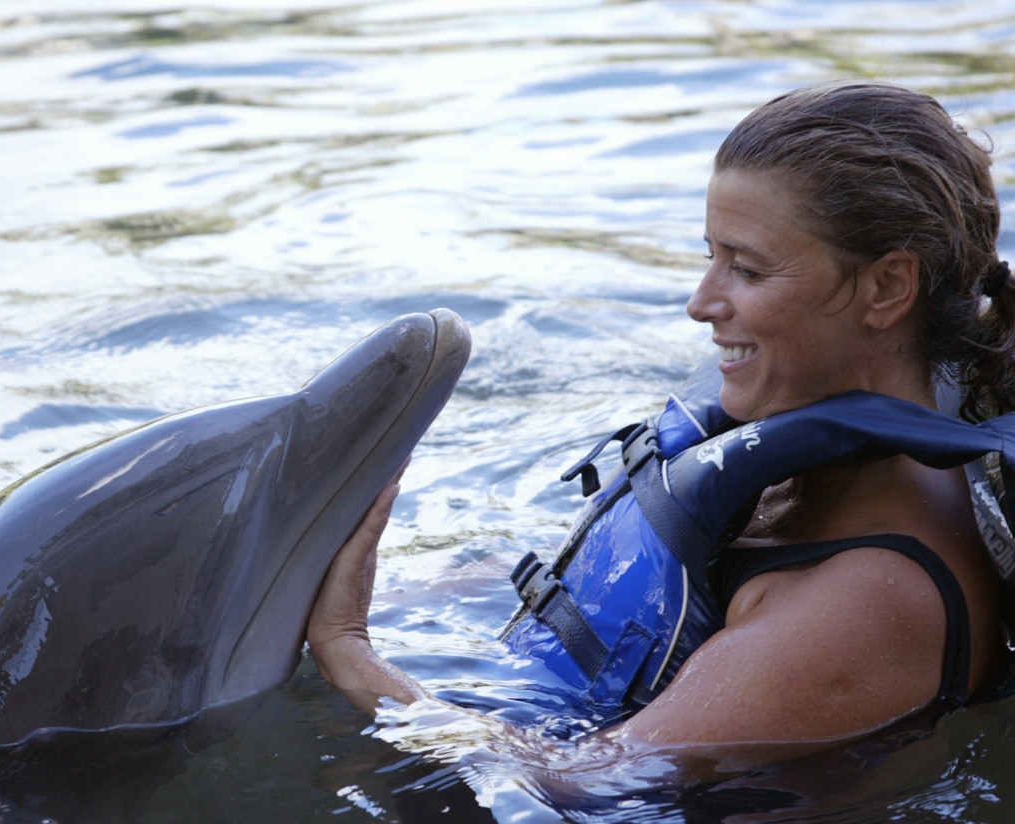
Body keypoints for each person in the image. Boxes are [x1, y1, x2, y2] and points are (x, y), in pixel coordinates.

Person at [305, 80, 1014, 761]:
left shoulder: (863, 603)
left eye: (748, 270)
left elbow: (569, 784)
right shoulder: (805, 453)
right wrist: (409, 588)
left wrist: (348, 648)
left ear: (887, 287)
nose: (700, 302)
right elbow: (637, 582)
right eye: (711, 258)